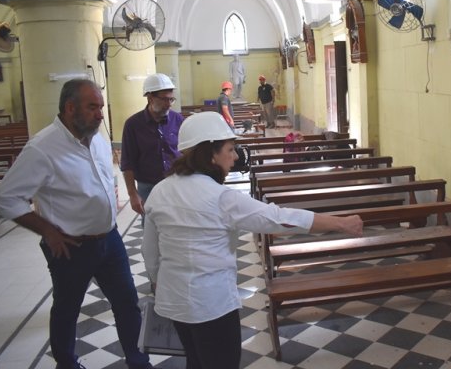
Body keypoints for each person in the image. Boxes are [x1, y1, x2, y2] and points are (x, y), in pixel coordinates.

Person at [141, 111, 364, 369]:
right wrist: (340, 222)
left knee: (195, 361)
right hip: (212, 306)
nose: (235, 156)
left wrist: (159, 281)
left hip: (174, 301)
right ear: (210, 154)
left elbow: (150, 252)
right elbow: (281, 218)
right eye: (230, 149)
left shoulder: (160, 190)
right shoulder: (221, 198)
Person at [0, 79, 156, 369]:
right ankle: (67, 363)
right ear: (70, 108)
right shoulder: (42, 148)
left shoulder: (97, 139)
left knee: (127, 303)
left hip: (110, 238)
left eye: (101, 107)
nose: (100, 114)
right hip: (71, 247)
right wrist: (47, 230)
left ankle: (138, 361)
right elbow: (6, 198)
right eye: (93, 107)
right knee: (67, 310)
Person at [121, 73, 183, 221]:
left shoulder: (178, 120)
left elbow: (188, 152)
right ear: (150, 98)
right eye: (164, 99)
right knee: (151, 228)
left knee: (179, 225)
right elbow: (127, 162)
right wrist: (132, 194)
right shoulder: (133, 125)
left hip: (177, 184)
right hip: (148, 187)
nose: (168, 104)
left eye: (171, 99)